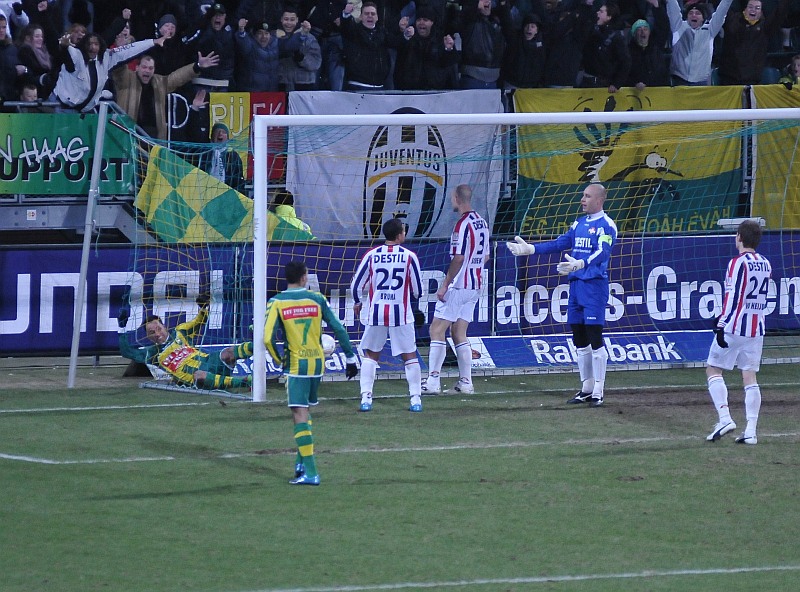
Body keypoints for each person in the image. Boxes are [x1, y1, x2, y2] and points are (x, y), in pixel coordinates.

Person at [506, 183, 617, 407]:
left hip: (593, 287)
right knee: (579, 338)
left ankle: (599, 389)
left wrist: (581, 263)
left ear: (599, 200)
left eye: (587, 196)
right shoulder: (579, 223)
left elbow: (603, 251)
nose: (582, 199)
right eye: (583, 195)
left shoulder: (607, 225)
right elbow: (561, 243)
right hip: (576, 287)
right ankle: (586, 387)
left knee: (595, 338)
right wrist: (532, 249)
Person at [264, 260, 358, 486]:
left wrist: (279, 361)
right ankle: (301, 463)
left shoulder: (276, 302)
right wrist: (350, 356)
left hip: (297, 365)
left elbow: (267, 338)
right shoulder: (317, 299)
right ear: (304, 277)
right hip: (318, 364)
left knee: (298, 414)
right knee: (305, 411)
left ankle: (312, 472)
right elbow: (338, 327)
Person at [704, 220, 772, 445]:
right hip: (756, 328)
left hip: (735, 326)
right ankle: (751, 430)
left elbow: (733, 297)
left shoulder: (737, 263)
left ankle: (725, 418)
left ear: (740, 237)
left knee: (713, 369)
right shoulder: (766, 263)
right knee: (749, 376)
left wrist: (721, 324)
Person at [350, 218, 425, 412]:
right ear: (400, 235)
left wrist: (358, 302)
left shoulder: (372, 255)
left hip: (376, 313)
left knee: (371, 355)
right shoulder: (409, 256)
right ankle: (415, 399)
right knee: (410, 356)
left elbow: (356, 284)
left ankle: (366, 398)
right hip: (401, 314)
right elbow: (418, 289)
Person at [422, 184, 490, 395]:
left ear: (456, 198)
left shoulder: (462, 226)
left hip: (459, 285)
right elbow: (486, 255)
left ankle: (433, 381)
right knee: (459, 331)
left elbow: (459, 258)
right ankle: (466, 382)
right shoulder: (482, 222)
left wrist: (445, 285)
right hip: (475, 284)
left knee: (436, 330)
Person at [117, 294, 254, 390]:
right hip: (196, 379)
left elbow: (199, 322)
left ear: (165, 326)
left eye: (158, 329)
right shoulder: (152, 354)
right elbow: (126, 351)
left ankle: (260, 342)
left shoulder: (179, 332)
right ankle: (243, 383)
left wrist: (203, 308)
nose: (157, 334)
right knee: (199, 375)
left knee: (228, 352)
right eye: (152, 333)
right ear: (148, 337)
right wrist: (121, 327)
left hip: (210, 362)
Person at [52, 30, 165, 112]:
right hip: (62, 108)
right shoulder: (75, 54)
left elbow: (130, 49)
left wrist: (153, 42)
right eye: (90, 44)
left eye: (96, 44)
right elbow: (61, 50)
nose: (93, 48)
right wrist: (63, 46)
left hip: (84, 112)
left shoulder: (106, 57)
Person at [113, 51, 218, 139]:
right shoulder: (127, 79)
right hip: (128, 137)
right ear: (137, 68)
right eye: (144, 67)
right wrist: (121, 51)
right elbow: (118, 70)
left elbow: (177, 78)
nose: (147, 71)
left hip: (153, 140)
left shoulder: (158, 82)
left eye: (151, 68)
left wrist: (197, 66)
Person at [718, 0, 789, 86]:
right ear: (745, 9)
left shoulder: (765, 28)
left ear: (761, 12)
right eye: (750, 7)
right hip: (728, 80)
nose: (753, 10)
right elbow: (722, 9)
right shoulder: (733, 21)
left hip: (752, 81)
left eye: (757, 8)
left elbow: (779, 13)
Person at [666, 0, 732, 86]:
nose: (693, 15)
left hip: (702, 82)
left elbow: (722, 11)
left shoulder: (710, 30)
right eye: (690, 13)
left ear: (703, 18)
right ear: (687, 17)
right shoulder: (679, 27)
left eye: (697, 13)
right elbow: (672, 6)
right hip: (679, 79)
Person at [394, 5, 458, 90]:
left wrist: (448, 49)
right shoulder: (409, 38)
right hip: (410, 91)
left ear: (432, 22)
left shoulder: (441, 40)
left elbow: (448, 65)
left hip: (435, 91)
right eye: (419, 20)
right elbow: (399, 63)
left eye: (425, 20)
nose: (421, 23)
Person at [339, 1, 400, 91]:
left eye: (373, 14)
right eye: (366, 13)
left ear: (377, 17)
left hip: (379, 86)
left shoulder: (383, 32)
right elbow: (345, 26)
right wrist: (346, 13)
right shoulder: (353, 31)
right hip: (357, 85)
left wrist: (405, 34)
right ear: (361, 16)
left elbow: (396, 42)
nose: (370, 16)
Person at [578, 2, 630, 93]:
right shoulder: (592, 30)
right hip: (586, 80)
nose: (598, 12)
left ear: (609, 17)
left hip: (602, 85)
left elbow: (625, 62)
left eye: (601, 12)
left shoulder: (616, 37)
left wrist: (616, 83)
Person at [276, 6, 321, 91]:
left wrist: (302, 58)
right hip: (282, 83)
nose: (289, 23)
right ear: (281, 19)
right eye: (286, 19)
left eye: (292, 20)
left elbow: (316, 63)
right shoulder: (274, 37)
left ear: (297, 20)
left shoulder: (309, 38)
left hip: (305, 84)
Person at [625, 9, 670, 89]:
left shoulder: (656, 47)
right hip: (635, 93)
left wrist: (657, 7)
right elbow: (623, 72)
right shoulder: (627, 51)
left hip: (658, 91)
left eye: (645, 29)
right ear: (634, 34)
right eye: (639, 29)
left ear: (649, 32)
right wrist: (635, 83)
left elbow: (663, 27)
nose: (643, 32)